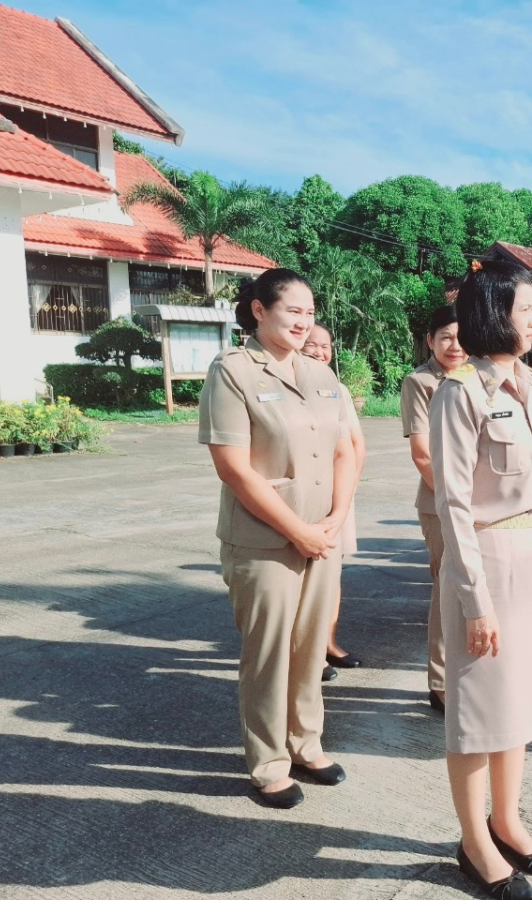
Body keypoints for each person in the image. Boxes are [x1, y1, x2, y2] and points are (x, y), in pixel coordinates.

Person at [430, 258, 532, 900]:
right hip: (487, 564)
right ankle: (473, 841)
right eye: (525, 309)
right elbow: (454, 505)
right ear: (494, 315)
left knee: (517, 700)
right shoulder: (460, 393)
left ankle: (507, 819)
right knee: (477, 709)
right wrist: (474, 600)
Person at [198, 268, 356, 809]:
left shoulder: (321, 373)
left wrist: (335, 518)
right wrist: (299, 531)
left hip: (322, 534)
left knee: (311, 648)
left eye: (310, 312)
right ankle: (268, 763)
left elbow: (345, 450)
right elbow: (234, 469)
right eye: (293, 309)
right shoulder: (232, 371)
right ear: (260, 311)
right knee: (269, 654)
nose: (303, 320)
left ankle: (305, 743)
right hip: (264, 541)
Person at [400, 304, 468, 711]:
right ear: (429, 340)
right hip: (441, 504)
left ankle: (468, 676)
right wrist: (454, 502)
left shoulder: (475, 377)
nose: (454, 345)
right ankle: (440, 681)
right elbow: (423, 455)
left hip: (481, 506)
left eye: (461, 336)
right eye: (445, 337)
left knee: (472, 594)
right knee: (448, 591)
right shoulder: (421, 382)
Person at [301, 324, 367, 682]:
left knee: (332, 574)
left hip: (337, 498)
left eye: (325, 346)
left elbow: (356, 447)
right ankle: (308, 653)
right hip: (301, 499)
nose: (319, 352)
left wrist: (343, 500)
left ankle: (327, 643)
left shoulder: (337, 389)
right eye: (311, 344)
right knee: (304, 579)